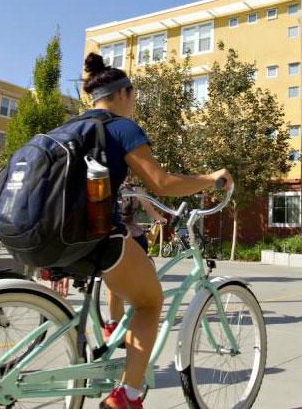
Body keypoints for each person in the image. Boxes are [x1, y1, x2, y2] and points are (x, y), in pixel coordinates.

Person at [76, 52, 232, 409]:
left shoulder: (73, 126)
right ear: (123, 93)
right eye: (134, 96)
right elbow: (161, 182)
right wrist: (211, 178)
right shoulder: (120, 127)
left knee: (123, 280)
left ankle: (110, 332)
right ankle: (127, 397)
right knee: (150, 301)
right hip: (96, 235)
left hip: (55, 235)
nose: (134, 103)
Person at [102, 178, 164, 341]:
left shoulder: (113, 184)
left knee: (114, 282)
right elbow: (150, 210)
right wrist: (162, 219)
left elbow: (149, 208)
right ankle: (135, 314)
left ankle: (115, 325)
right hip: (130, 238)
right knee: (143, 278)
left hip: (117, 237)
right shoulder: (135, 189)